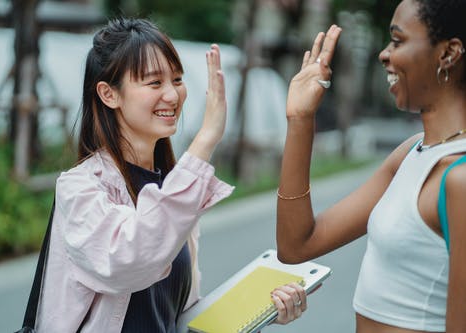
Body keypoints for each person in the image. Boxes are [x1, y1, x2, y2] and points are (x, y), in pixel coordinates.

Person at [34, 17, 306, 332]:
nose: (173, 95)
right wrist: (206, 139)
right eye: (154, 82)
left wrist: (260, 309)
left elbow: (175, 320)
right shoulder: (80, 188)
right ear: (109, 95)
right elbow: (129, 259)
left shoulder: (171, 186)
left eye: (177, 80)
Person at [276, 1, 466, 332]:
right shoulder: (411, 154)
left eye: (398, 40)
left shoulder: (459, 179)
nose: (384, 54)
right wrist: (300, 120)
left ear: (448, 53)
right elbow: (297, 245)